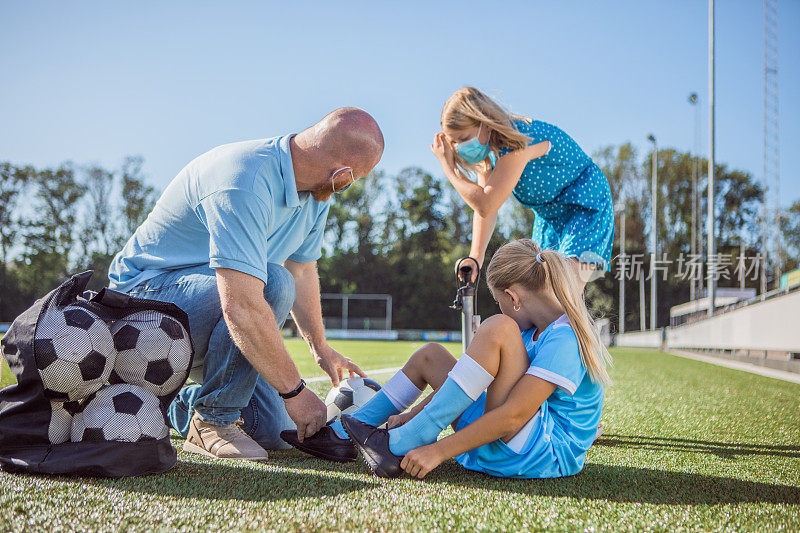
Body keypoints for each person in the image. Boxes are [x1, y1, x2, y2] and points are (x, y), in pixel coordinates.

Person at [108, 107, 384, 461]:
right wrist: (296, 392)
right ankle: (212, 422)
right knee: (272, 284)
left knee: (275, 429)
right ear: (341, 173)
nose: (348, 187)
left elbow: (302, 270)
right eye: (353, 179)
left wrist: (320, 347)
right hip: (140, 305)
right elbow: (241, 303)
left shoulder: (316, 197)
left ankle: (174, 400)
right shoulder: (245, 179)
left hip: (210, 306)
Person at [285, 238, 612, 479]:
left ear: (512, 297)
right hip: (517, 441)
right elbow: (467, 384)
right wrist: (414, 412)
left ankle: (399, 446)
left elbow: (514, 415)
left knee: (498, 328)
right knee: (430, 356)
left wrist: (438, 450)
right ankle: (345, 434)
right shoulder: (532, 331)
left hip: (543, 453)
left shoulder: (565, 338)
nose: (501, 308)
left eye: (498, 301)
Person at [431, 87, 614, 288]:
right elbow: (485, 212)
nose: (460, 148)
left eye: (464, 138)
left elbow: (486, 204)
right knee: (539, 292)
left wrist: (448, 167)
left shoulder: (517, 142)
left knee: (563, 289)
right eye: (455, 143)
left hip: (584, 203)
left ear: (485, 123)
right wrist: (475, 257)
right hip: (549, 217)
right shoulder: (490, 155)